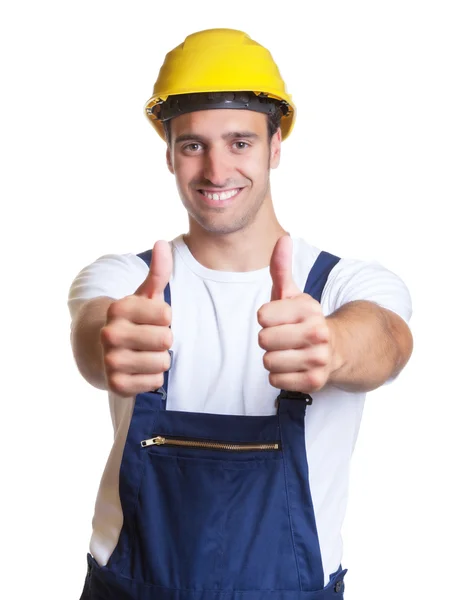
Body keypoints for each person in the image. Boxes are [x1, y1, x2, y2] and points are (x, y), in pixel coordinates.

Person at [69, 28, 413, 600]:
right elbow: (91, 336)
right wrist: (109, 341)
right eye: (193, 145)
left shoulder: (344, 284)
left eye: (241, 142)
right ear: (170, 153)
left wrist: (331, 344)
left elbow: (388, 341)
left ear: (277, 146)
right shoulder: (125, 281)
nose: (216, 169)